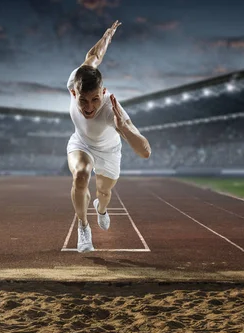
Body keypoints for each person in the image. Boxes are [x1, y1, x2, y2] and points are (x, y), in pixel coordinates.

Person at [66, 20, 152, 253]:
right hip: (81, 143)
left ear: (103, 92)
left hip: (109, 152)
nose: (89, 107)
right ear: (74, 91)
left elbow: (145, 151)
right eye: (82, 100)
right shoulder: (77, 78)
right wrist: (107, 35)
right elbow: (94, 56)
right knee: (81, 175)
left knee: (104, 194)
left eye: (95, 99)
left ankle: (101, 210)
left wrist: (123, 127)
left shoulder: (111, 110)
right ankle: (84, 228)